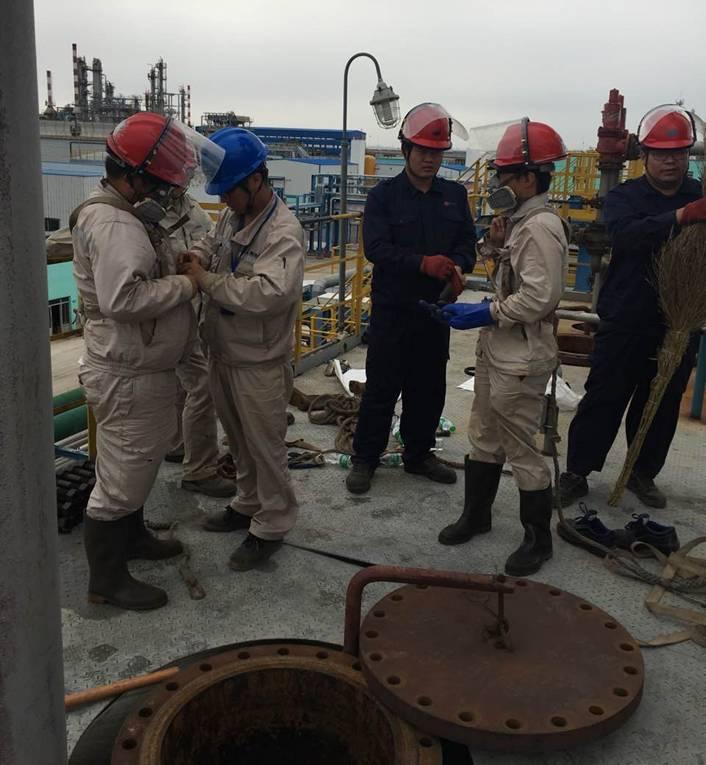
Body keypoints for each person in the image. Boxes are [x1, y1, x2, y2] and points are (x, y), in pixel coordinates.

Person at [72, 113, 214, 610]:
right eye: (160, 183)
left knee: (135, 467)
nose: (167, 193)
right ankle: (107, 581)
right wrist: (187, 285)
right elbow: (124, 299)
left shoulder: (125, 214)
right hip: (126, 369)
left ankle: (132, 538)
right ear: (134, 176)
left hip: (138, 364)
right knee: (120, 479)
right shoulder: (115, 223)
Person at [437, 118, 570, 576]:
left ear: (528, 179)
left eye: (505, 176)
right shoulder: (519, 224)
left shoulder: (539, 228)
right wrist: (494, 248)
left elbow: (539, 297)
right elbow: (513, 280)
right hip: (499, 350)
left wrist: (486, 313)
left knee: (520, 446)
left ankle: (538, 540)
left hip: (522, 354)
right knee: (485, 434)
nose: (498, 185)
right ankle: (477, 515)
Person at [560, 105, 705, 510]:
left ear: (688, 156)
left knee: (661, 402)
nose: (670, 161)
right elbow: (625, 236)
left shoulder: (699, 194)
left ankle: (643, 473)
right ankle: (577, 472)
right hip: (626, 315)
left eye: (678, 153)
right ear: (645, 155)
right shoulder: (625, 197)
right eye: (661, 154)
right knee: (604, 396)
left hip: (677, 322)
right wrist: (681, 216)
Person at [179, 128, 304, 571]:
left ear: (255, 180)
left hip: (260, 361)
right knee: (238, 441)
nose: (223, 199)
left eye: (229, 189)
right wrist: (196, 256)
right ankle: (248, 502)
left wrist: (206, 281)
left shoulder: (283, 232)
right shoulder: (235, 216)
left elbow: (268, 293)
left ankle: (272, 523)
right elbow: (214, 244)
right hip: (224, 351)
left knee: (265, 448)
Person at [345, 102, 476, 495]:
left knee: (428, 388)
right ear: (406, 150)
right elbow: (376, 249)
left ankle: (418, 455)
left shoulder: (454, 195)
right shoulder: (383, 197)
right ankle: (365, 458)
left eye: (437, 152)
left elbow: (467, 244)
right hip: (393, 311)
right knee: (381, 389)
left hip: (436, 313)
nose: (429, 159)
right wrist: (422, 263)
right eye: (422, 151)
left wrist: (458, 268)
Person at [161, 189, 237, 498]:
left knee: (186, 387)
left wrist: (198, 260)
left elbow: (210, 241)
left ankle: (180, 445)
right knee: (202, 388)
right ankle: (200, 469)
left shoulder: (188, 207)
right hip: (164, 315)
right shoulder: (134, 215)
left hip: (189, 314)